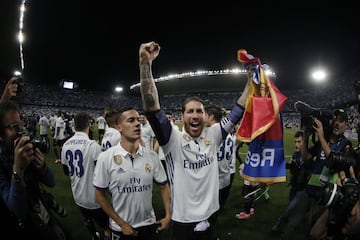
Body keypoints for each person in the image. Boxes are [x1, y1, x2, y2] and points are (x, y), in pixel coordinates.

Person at [139, 41, 250, 240]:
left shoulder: (214, 135)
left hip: (210, 213)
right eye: (190, 111)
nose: (195, 115)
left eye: (199, 111)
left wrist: (251, 81)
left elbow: (237, 111)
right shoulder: (172, 140)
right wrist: (145, 63)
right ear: (183, 118)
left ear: (206, 116)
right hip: (183, 220)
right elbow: (151, 105)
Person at [93, 106, 171, 240]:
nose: (137, 124)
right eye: (131, 120)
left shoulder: (151, 156)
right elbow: (99, 193)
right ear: (119, 127)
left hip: (149, 225)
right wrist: (121, 223)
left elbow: (164, 186)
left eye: (138, 120)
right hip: (121, 228)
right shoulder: (105, 158)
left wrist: (168, 215)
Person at [281, 108, 353, 239]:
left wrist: (320, 137)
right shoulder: (323, 139)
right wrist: (305, 136)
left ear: (346, 125)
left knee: (312, 228)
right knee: (292, 223)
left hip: (323, 195)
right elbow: (306, 157)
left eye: (341, 121)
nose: (337, 123)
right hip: (308, 190)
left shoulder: (346, 145)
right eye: (335, 120)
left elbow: (335, 162)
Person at [0, 100, 66, 239]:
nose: (20, 131)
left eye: (20, 125)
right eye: (13, 126)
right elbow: (18, 209)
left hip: (44, 217)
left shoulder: (26, 148)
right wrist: (18, 169)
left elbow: (51, 182)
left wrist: (42, 167)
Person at [61, 112, 110, 240]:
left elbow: (66, 171)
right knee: (107, 225)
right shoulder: (93, 145)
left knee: (88, 219)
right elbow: (102, 174)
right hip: (94, 197)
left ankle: (94, 236)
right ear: (89, 125)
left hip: (77, 194)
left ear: (74, 126)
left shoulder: (65, 145)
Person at [272, 130, 311, 232]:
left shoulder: (309, 155)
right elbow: (291, 165)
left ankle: (279, 223)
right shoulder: (295, 154)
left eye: (299, 142)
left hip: (302, 189)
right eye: (295, 142)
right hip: (294, 186)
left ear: (305, 142)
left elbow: (309, 171)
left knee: (290, 209)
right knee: (290, 207)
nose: (296, 144)